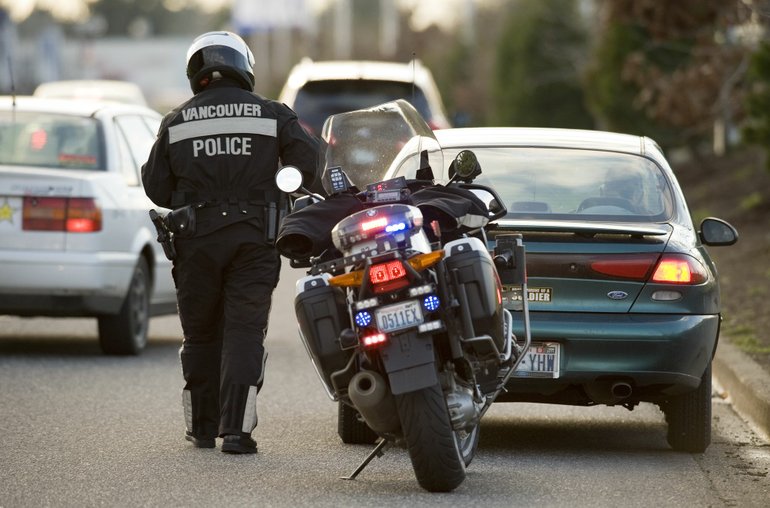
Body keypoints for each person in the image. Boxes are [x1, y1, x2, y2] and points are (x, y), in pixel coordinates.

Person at [141, 31, 319, 454]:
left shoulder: (177, 121)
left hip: (195, 242)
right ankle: (237, 433)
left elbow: (156, 187)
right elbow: (308, 163)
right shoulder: (274, 114)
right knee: (244, 331)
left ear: (196, 70)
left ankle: (202, 429)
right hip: (255, 240)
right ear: (244, 66)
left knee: (200, 334)